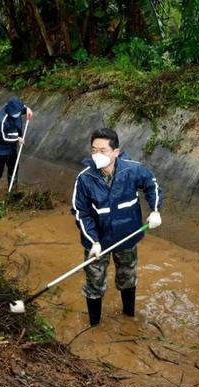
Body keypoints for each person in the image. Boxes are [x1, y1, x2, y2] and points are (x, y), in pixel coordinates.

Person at [71, 128, 163, 326]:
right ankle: (94, 326)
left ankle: (129, 318)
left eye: (103, 150)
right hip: (98, 242)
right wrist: (93, 241)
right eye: (94, 150)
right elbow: (81, 213)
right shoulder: (85, 179)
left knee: (128, 277)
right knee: (94, 283)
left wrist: (155, 210)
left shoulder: (132, 170)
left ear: (116, 152)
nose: (97, 155)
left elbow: (152, 185)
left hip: (126, 236)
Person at [0, 96, 33, 198]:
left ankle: (13, 191)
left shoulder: (17, 109)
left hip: (11, 148)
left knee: (14, 167)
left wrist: (27, 109)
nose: (18, 114)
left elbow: (22, 107)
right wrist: (17, 139)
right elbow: (4, 138)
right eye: (17, 113)